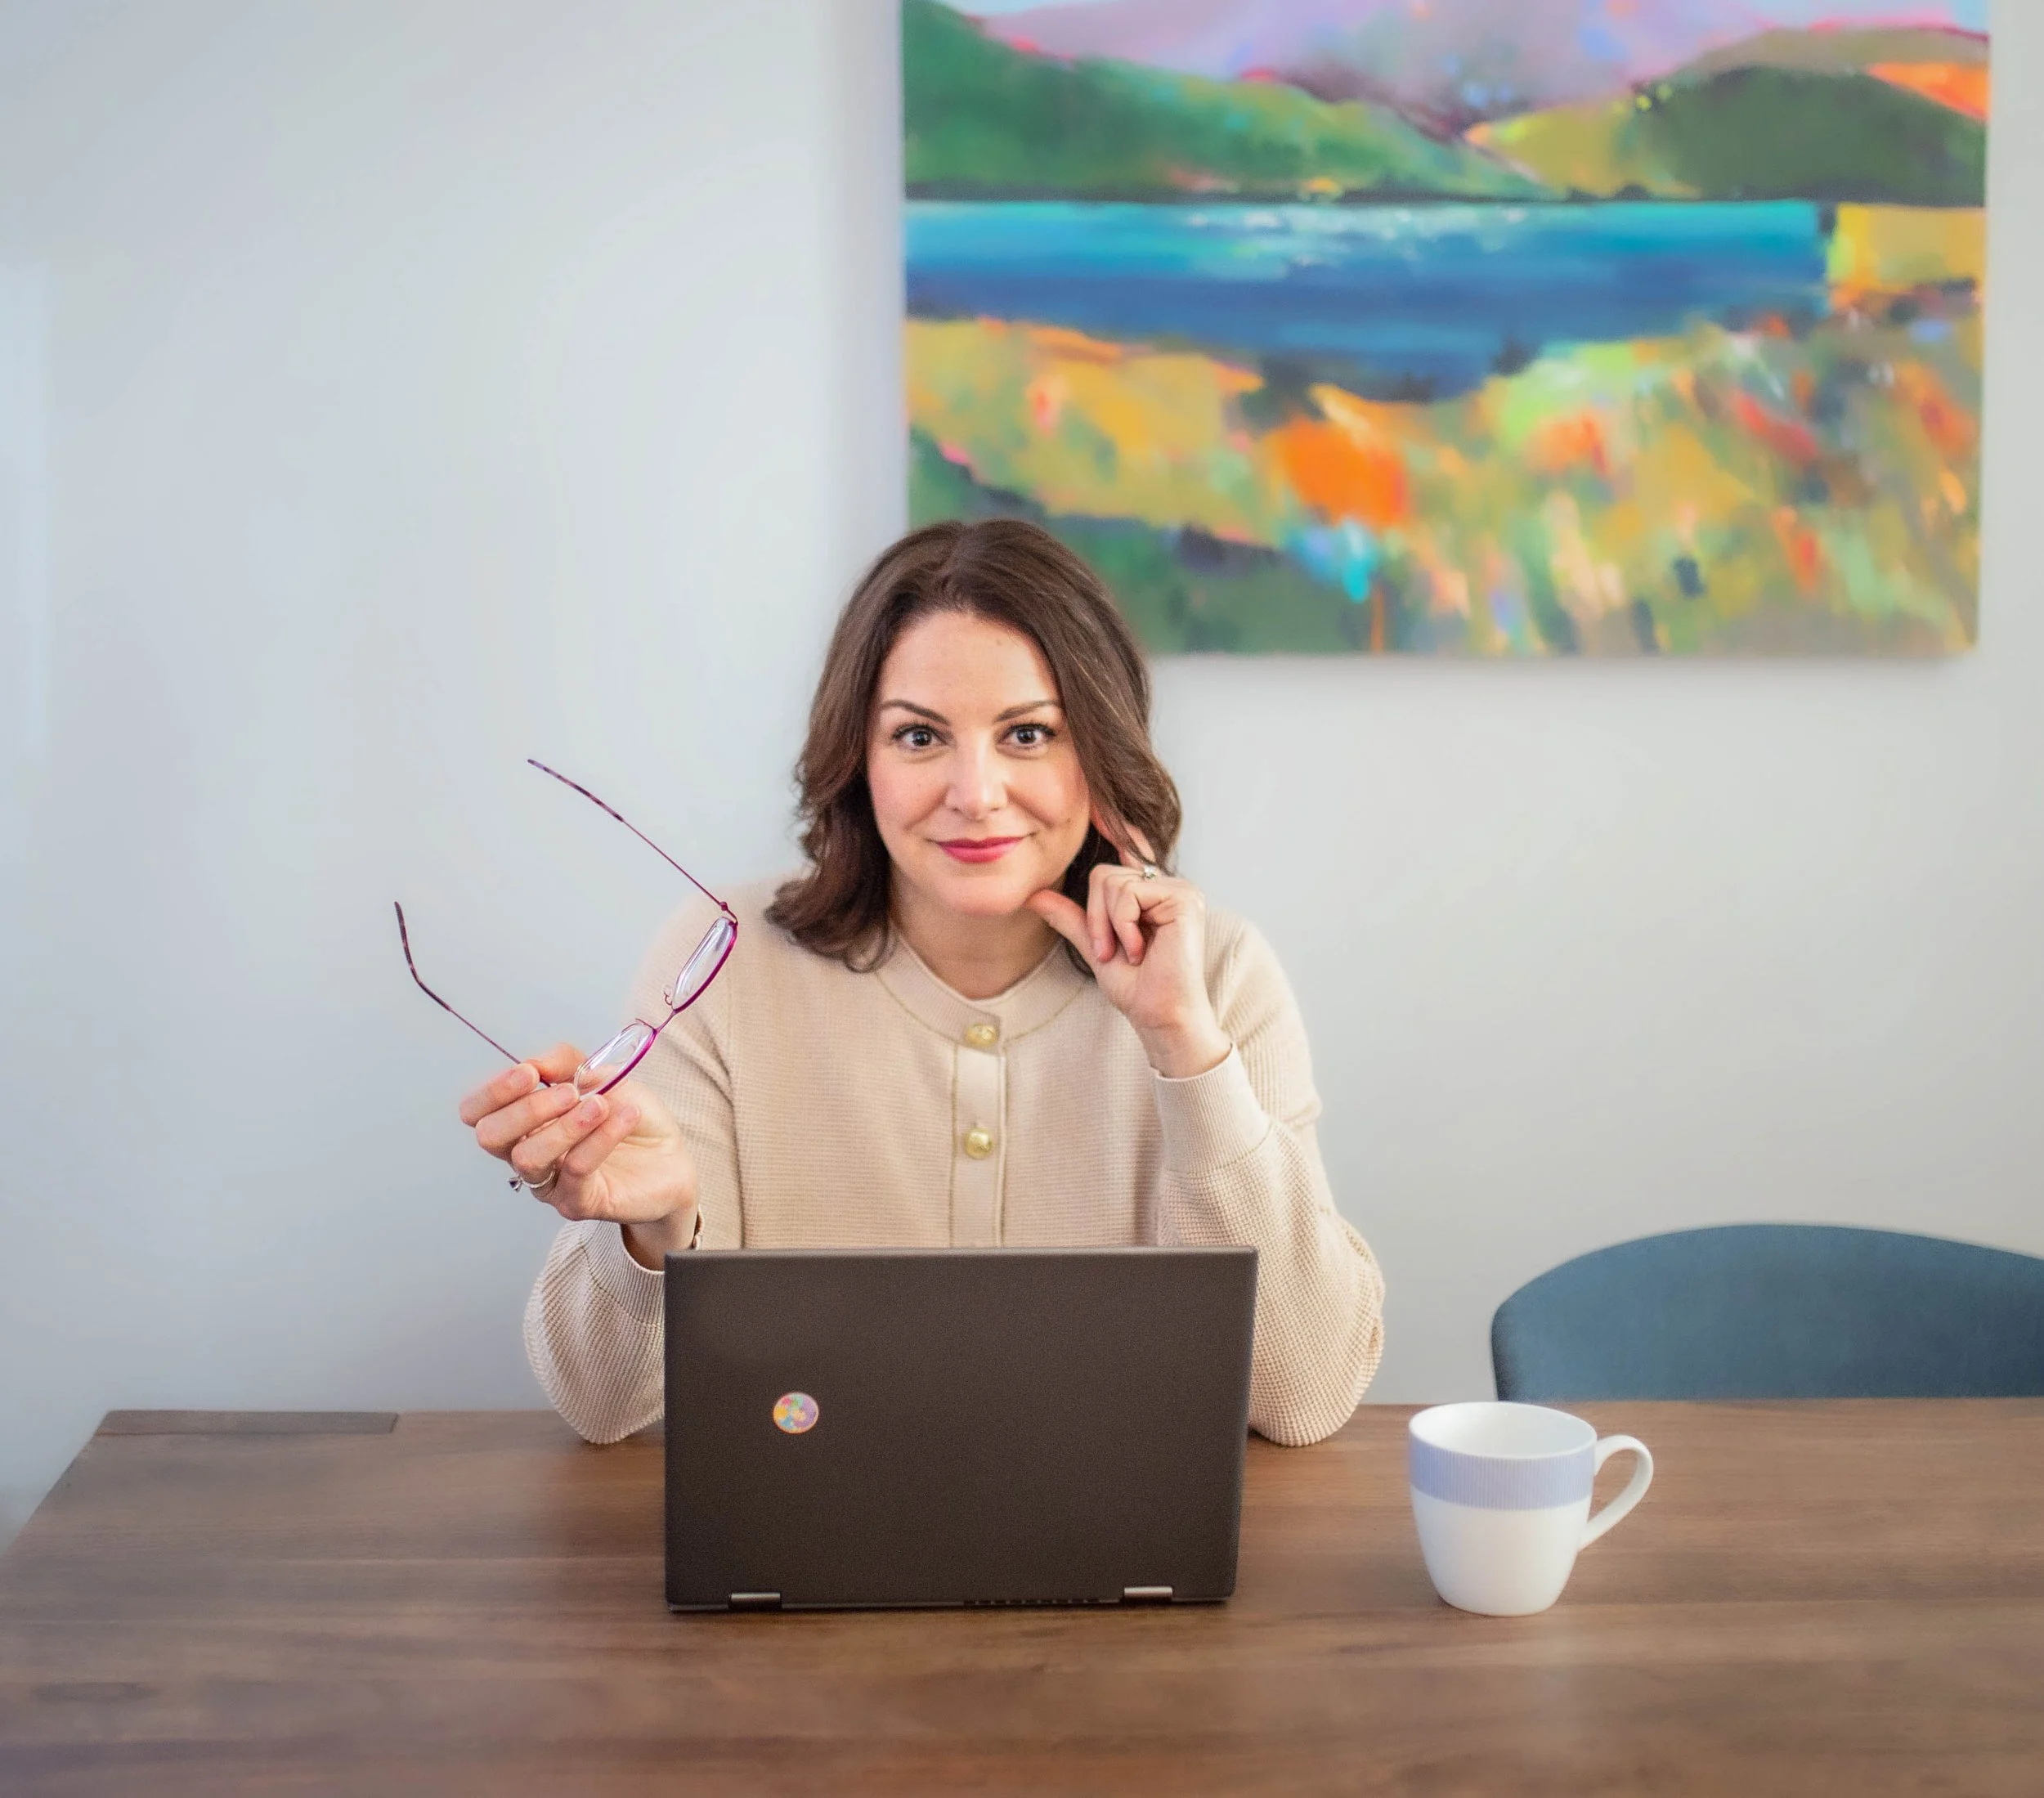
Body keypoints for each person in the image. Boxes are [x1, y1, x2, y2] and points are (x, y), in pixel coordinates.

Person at [459, 519, 1384, 1447]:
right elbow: (601, 1406)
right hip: (812, 1506)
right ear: (857, 761)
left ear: (1102, 752)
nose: (975, 794)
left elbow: (1300, 1396)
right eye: (918, 735)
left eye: (1028, 734)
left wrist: (1184, 1047)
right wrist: (653, 1236)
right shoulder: (722, 961)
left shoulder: (1218, 974)